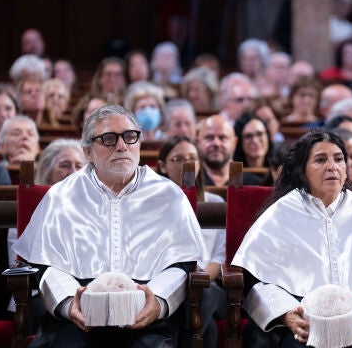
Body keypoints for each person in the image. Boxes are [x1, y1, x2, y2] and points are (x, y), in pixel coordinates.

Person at [14, 105, 208, 347]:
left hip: (147, 315)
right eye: (108, 138)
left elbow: (182, 264)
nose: (122, 146)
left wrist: (157, 302)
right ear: (88, 152)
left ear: (139, 143)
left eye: (130, 136)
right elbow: (46, 265)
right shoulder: (61, 197)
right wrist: (68, 304)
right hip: (77, 316)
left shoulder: (169, 195)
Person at [232, 131, 352, 346]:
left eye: (338, 159)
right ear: (302, 171)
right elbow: (255, 279)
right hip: (299, 323)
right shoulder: (280, 214)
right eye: (320, 160)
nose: (332, 166)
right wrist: (285, 314)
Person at [156, 135, 227, 348]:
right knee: (209, 328)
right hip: (167, 284)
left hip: (207, 283)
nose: (187, 165)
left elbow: (220, 257)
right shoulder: (153, 204)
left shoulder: (215, 203)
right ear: (162, 166)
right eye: (178, 159)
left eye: (192, 158)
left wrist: (199, 279)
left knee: (204, 293)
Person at [196, 115, 262, 186]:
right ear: (198, 142)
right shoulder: (190, 182)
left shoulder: (254, 185)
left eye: (222, 138)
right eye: (209, 138)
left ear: (234, 143)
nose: (216, 143)